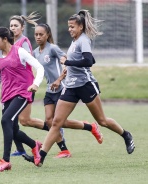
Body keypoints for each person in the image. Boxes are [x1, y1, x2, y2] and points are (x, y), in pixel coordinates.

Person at [34, 10, 135, 167]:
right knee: (56, 123)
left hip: (86, 85)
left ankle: (126, 135)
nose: (70, 29)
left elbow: (88, 61)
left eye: (72, 27)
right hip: (71, 87)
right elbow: (89, 58)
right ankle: (40, 158)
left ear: (80, 27)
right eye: (69, 27)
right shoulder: (75, 42)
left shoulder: (83, 40)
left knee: (102, 120)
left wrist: (68, 63)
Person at [9, 12, 70, 158]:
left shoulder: (30, 44)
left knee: (54, 122)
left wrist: (60, 76)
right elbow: (33, 66)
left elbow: (65, 59)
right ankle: (57, 141)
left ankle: (87, 127)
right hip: (46, 89)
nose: (37, 37)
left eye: (15, 25)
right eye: (10, 25)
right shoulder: (35, 51)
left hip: (56, 87)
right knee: (48, 121)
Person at [0, 27, 44, 172]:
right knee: (13, 130)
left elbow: (40, 68)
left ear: (5, 39)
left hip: (23, 93)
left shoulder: (19, 51)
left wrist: (35, 84)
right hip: (7, 95)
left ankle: (5, 161)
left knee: (5, 120)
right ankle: (34, 145)